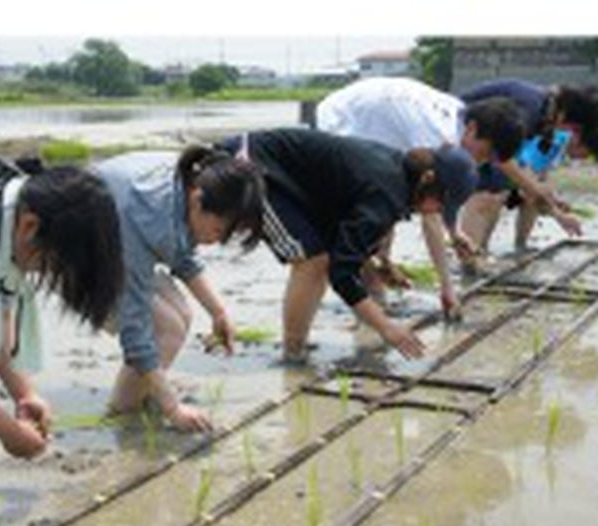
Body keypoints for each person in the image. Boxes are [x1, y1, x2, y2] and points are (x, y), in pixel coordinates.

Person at [217, 127, 478, 363]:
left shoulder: (397, 176)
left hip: (275, 169)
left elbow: (350, 239)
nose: (438, 211)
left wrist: (380, 265)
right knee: (311, 262)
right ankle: (293, 353)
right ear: (427, 179)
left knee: (319, 257)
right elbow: (341, 272)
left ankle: (295, 347)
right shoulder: (385, 192)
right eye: (441, 204)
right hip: (250, 166)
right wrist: (386, 327)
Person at [0, 151, 124, 458]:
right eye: (52, 265)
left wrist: (24, 393)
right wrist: (8, 432)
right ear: (30, 227)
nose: (45, 274)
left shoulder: (9, 194)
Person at [316, 76, 525, 313]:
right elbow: (430, 215)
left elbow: (439, 200)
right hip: (345, 117)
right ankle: (368, 293)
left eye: (488, 160)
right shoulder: (437, 137)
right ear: (472, 128)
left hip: (378, 114)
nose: (480, 162)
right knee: (373, 202)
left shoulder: (459, 120)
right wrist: (447, 287)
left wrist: (454, 233)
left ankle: (378, 270)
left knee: (393, 196)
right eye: (484, 153)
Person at [93, 148, 267, 432]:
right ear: (198, 200)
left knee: (182, 314)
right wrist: (173, 409)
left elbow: (182, 254)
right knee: (165, 327)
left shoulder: (189, 183)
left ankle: (144, 395)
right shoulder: (143, 214)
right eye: (220, 230)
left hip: (116, 240)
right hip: (81, 252)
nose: (218, 241)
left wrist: (218, 312)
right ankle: (122, 416)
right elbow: (135, 330)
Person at [458, 79, 596, 257]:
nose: (570, 134)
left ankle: (479, 252)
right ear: (568, 119)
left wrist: (545, 196)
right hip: (462, 135)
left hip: (479, 143)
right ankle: (470, 262)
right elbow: (503, 157)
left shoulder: (542, 114)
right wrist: (535, 189)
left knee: (497, 185)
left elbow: (517, 161)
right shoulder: (531, 108)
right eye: (575, 130)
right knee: (487, 195)